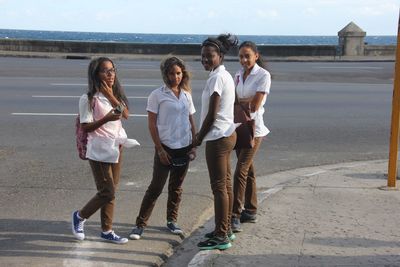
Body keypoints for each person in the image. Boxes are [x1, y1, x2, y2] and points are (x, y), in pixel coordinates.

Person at [129, 56, 196, 240]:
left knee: (176, 188)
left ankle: (172, 221)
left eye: (178, 73)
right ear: (165, 74)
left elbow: (190, 120)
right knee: (156, 187)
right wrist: (159, 149)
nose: (175, 77)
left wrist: (194, 145)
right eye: (172, 73)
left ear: (183, 73)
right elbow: (152, 124)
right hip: (165, 148)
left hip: (184, 146)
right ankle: (140, 224)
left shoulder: (186, 95)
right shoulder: (157, 95)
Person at [72, 57, 132, 244]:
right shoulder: (88, 98)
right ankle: (79, 216)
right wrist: (106, 119)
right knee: (107, 191)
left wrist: (111, 96)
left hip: (116, 147)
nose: (110, 74)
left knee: (111, 190)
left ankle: (107, 230)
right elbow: (86, 126)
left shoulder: (116, 95)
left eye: (112, 70)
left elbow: (126, 114)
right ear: (96, 74)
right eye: (105, 71)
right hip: (98, 149)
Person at [193, 34, 238, 250]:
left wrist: (198, 139)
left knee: (219, 187)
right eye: (202, 56)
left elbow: (211, 114)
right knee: (225, 186)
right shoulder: (223, 75)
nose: (205, 59)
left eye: (209, 56)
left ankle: (221, 235)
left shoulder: (216, 78)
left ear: (220, 56)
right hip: (227, 134)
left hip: (218, 137)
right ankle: (225, 228)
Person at [231, 41, 271, 233]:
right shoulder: (238, 75)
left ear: (256, 55)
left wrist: (238, 102)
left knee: (240, 171)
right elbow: (232, 100)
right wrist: (239, 103)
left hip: (255, 129)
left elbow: (254, 105)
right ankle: (252, 210)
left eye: (247, 56)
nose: (244, 60)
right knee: (248, 171)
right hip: (240, 126)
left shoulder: (263, 75)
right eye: (241, 56)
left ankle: (235, 214)